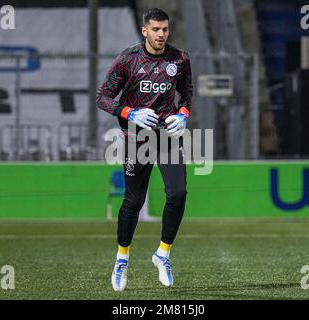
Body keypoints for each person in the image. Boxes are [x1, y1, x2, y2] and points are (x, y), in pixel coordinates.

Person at [96, 8, 193, 291]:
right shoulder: (128, 59)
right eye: (156, 30)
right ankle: (122, 259)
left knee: (178, 193)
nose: (161, 34)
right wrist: (129, 112)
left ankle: (163, 253)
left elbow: (186, 93)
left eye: (165, 29)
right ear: (145, 31)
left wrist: (184, 114)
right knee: (133, 201)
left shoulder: (180, 58)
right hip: (136, 139)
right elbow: (102, 96)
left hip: (166, 138)